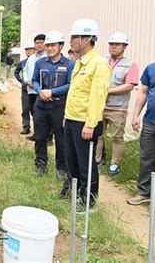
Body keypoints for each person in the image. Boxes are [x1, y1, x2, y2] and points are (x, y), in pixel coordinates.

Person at [62, 18, 110, 213]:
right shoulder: (80, 63)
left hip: (85, 123)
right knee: (71, 161)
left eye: (74, 37)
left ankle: (89, 202)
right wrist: (66, 116)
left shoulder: (99, 64)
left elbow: (98, 97)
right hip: (72, 119)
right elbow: (75, 94)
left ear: (86, 39)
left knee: (86, 164)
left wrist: (90, 124)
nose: (71, 41)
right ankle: (77, 195)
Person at [127, 30, 155, 215]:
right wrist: (136, 115)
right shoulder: (152, 69)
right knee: (146, 159)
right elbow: (143, 92)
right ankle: (144, 192)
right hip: (150, 122)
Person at [31, 30, 74, 178]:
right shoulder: (40, 62)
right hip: (41, 106)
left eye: (53, 45)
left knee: (61, 139)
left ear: (61, 46)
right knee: (40, 137)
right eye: (48, 45)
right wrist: (40, 91)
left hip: (59, 107)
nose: (49, 48)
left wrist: (52, 92)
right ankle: (40, 165)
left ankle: (61, 168)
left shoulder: (69, 64)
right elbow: (34, 80)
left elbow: (71, 85)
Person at [95, 32, 139, 174]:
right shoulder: (102, 62)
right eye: (111, 44)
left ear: (124, 47)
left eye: (117, 45)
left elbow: (129, 85)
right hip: (100, 106)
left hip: (118, 108)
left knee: (117, 137)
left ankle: (115, 164)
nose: (113, 47)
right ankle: (97, 160)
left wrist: (108, 90)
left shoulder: (130, 65)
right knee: (98, 134)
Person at [23, 34, 47, 141]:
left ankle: (46, 136)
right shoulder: (31, 58)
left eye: (41, 42)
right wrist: (27, 80)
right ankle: (36, 134)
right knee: (34, 112)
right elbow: (25, 71)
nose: (39, 45)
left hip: (42, 91)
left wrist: (37, 83)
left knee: (43, 114)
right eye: (37, 43)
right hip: (31, 90)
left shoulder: (47, 58)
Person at [14, 41, 36, 134]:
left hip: (35, 90)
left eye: (30, 49)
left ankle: (38, 130)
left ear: (34, 50)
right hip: (25, 89)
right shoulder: (22, 62)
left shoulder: (37, 61)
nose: (28, 51)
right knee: (25, 109)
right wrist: (21, 81)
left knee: (35, 110)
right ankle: (26, 127)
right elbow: (16, 72)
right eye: (26, 49)